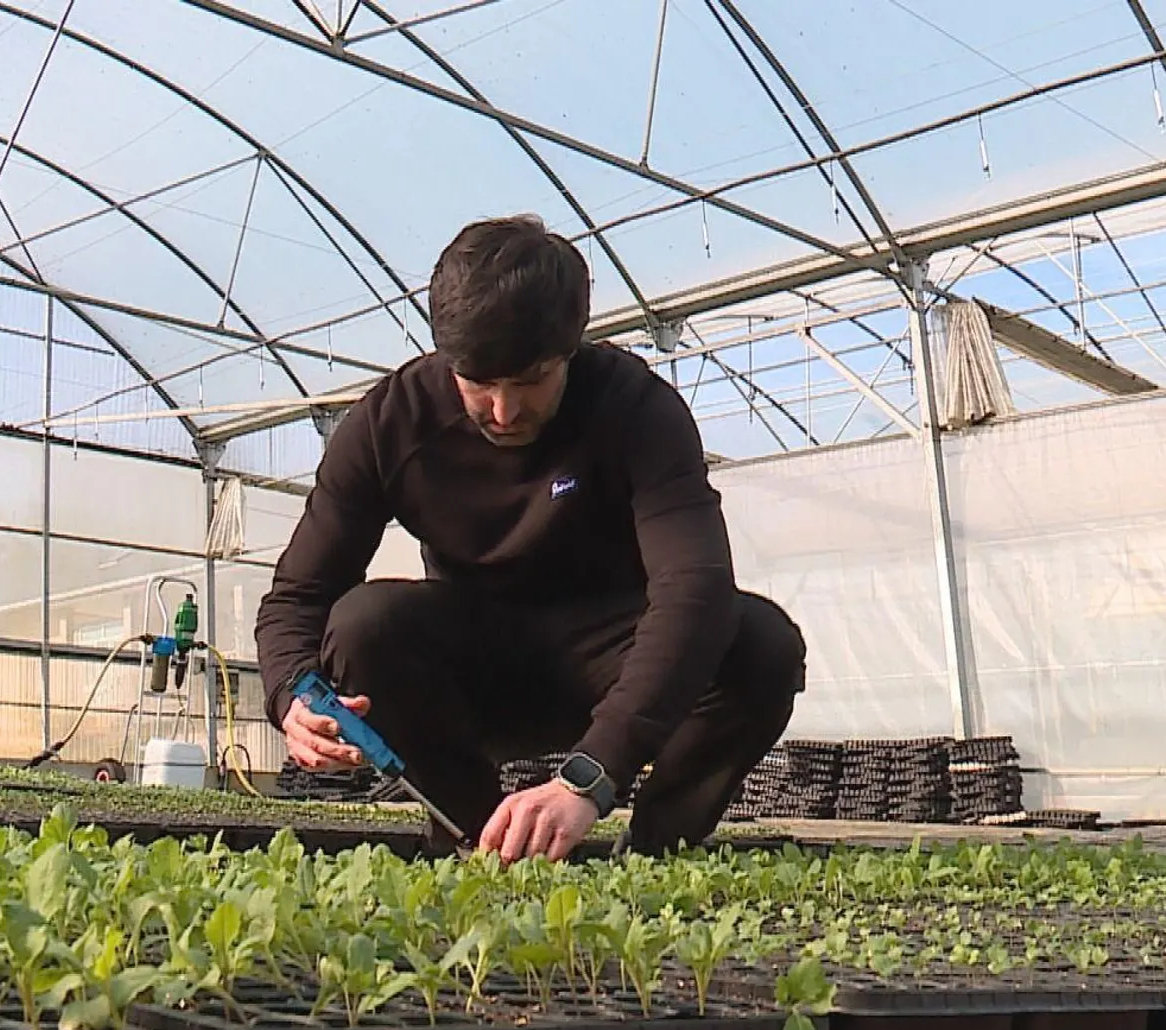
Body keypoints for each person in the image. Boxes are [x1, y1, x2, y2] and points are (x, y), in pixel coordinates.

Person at [254, 215, 807, 863]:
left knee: (760, 643)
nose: (504, 411)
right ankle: (480, 837)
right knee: (361, 625)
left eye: (530, 381)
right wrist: (290, 691)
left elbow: (695, 589)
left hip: (618, 658)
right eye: (479, 385)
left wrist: (592, 774)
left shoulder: (636, 409)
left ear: (572, 347)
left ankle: (660, 845)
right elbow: (298, 595)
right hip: (478, 668)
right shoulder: (390, 422)